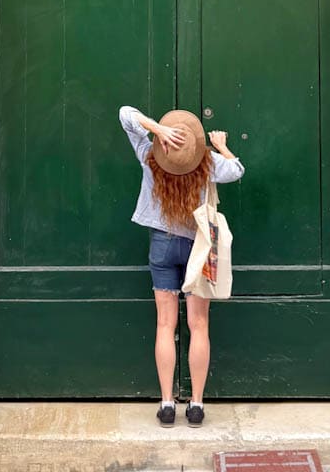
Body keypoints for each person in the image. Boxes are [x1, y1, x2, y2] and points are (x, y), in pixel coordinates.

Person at [119, 104, 245, 428]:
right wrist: (221, 146)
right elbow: (237, 170)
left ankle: (166, 404)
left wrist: (157, 132)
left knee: (165, 324)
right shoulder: (208, 164)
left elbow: (125, 114)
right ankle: (197, 404)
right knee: (198, 325)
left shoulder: (149, 154)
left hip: (162, 244)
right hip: (198, 248)